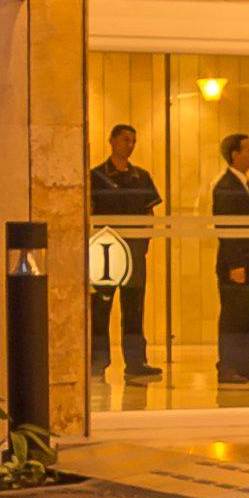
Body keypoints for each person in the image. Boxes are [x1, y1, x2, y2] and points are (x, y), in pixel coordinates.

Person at [82, 124, 163, 392]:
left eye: (134, 140)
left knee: (134, 308)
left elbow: (149, 214)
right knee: (101, 308)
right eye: (125, 139)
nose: (130, 145)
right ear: (112, 141)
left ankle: (136, 361)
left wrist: (144, 242)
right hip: (105, 253)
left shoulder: (141, 176)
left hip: (134, 251)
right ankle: (98, 360)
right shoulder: (96, 176)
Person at [211, 143, 249, 387]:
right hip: (238, 264)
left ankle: (246, 364)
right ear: (235, 154)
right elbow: (228, 228)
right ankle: (227, 366)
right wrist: (235, 264)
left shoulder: (243, 184)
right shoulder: (226, 187)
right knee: (234, 318)